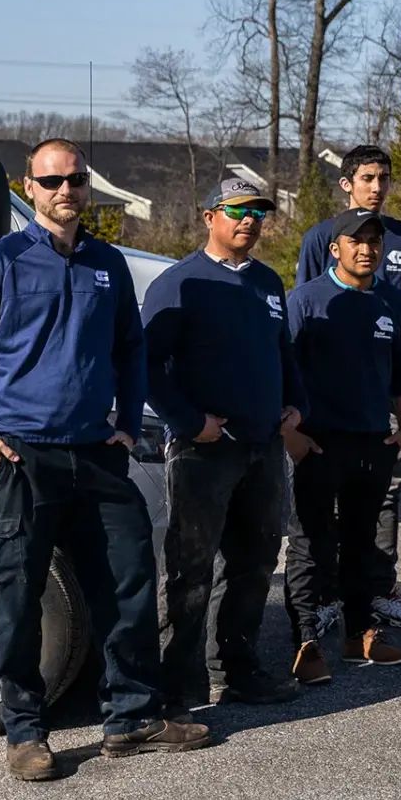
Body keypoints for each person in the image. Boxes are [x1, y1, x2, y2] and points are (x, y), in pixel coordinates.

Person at [0, 138, 207, 780]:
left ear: (88, 187)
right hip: (20, 457)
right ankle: (26, 732)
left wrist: (126, 421)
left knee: (129, 579)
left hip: (95, 455)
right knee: (20, 594)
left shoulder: (107, 264)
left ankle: (131, 717)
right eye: (53, 180)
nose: (66, 191)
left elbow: (131, 350)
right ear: (29, 188)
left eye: (77, 180)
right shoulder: (2, 261)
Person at [143, 179, 306, 712]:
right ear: (209, 216)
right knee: (190, 570)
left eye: (258, 212)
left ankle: (236, 668)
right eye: (237, 211)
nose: (249, 221)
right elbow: (146, 366)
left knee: (255, 563)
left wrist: (295, 404)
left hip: (262, 447)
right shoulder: (179, 283)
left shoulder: (267, 281)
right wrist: (190, 422)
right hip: (204, 451)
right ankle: (177, 684)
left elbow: (283, 353)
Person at [296, 145, 401, 630]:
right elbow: (307, 313)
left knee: (384, 499)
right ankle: (325, 598)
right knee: (322, 505)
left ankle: (378, 590)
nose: (377, 187)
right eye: (368, 178)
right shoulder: (322, 236)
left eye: (384, 178)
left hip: (386, 392)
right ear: (346, 183)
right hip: (329, 404)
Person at [283, 208, 401, 681]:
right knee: (311, 544)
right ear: (334, 248)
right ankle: (306, 642)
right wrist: (291, 435)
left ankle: (360, 635)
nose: (366, 249)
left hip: (373, 441)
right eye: (356, 241)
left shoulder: (392, 301)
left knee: (363, 543)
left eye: (374, 241)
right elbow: (283, 370)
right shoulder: (306, 300)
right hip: (318, 443)